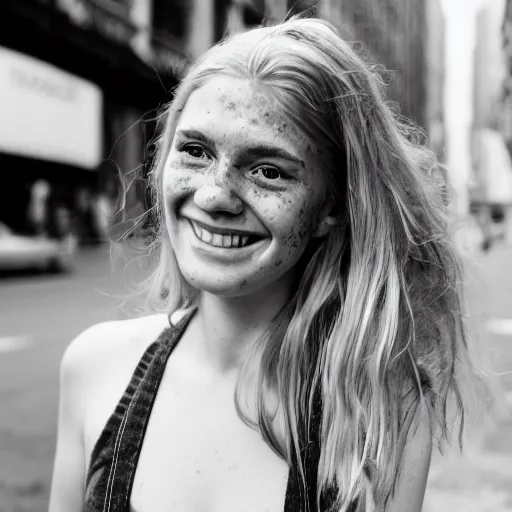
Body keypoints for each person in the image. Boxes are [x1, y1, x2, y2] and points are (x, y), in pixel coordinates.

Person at [48, 17, 480, 512]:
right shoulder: (93, 369)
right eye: (194, 151)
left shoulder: (382, 412)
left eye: (268, 171)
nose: (214, 196)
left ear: (333, 205)